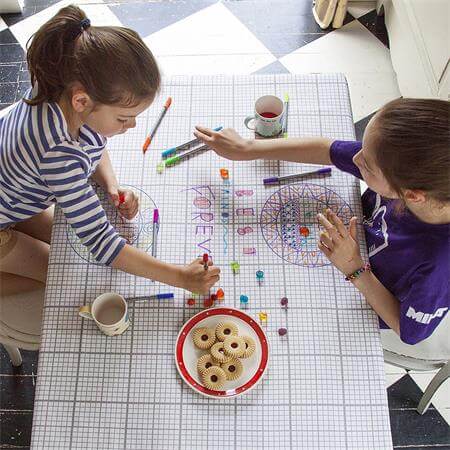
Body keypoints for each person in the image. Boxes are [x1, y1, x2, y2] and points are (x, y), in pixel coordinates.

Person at [194, 98, 449, 354]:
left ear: (413, 196)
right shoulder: (408, 170)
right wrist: (249, 148)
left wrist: (355, 268)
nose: (356, 157)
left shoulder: (440, 268)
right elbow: (328, 149)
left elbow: (409, 331)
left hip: (365, 299)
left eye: (367, 164)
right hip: (348, 253)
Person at [0, 5, 219, 297]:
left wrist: (111, 185)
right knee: (59, 278)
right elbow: (102, 244)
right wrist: (181, 277)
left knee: (65, 248)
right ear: (82, 101)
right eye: (122, 118)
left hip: (15, 194)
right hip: (9, 208)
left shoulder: (62, 85)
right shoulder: (59, 155)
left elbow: (93, 143)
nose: (132, 126)